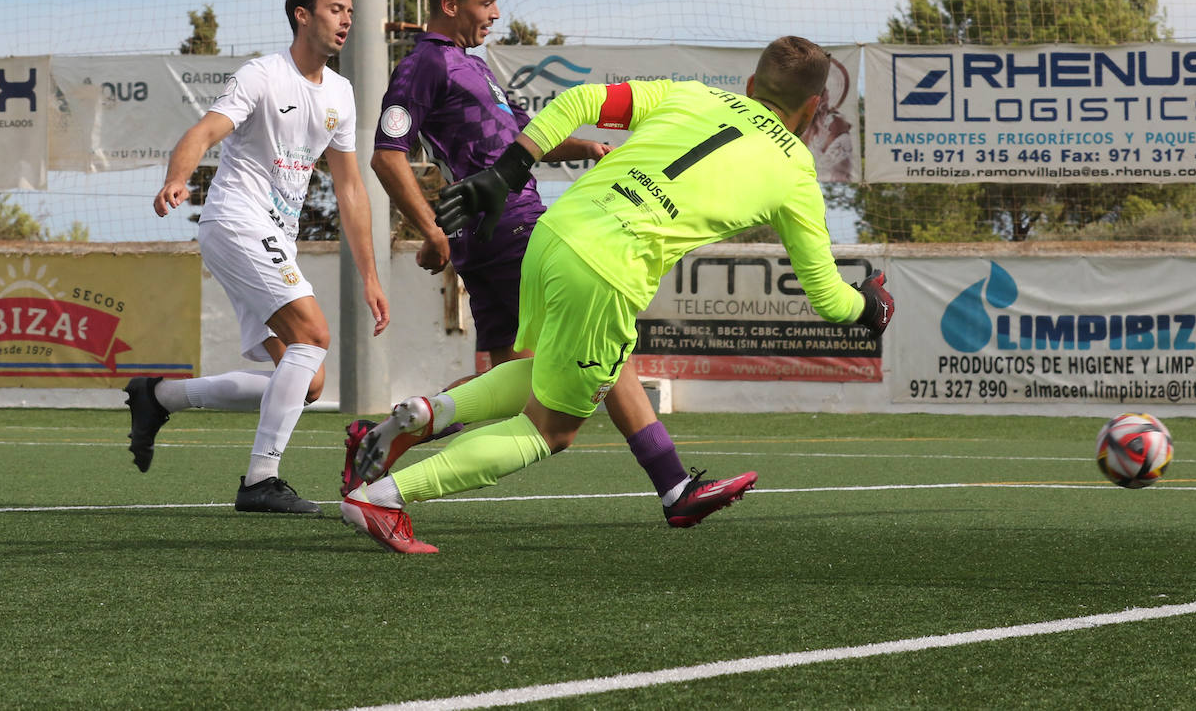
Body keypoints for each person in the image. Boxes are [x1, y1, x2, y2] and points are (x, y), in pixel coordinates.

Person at [340, 35, 894, 552]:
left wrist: (508, 171)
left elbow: (578, 100)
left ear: (751, 86)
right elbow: (827, 298)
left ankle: (426, 413)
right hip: (607, 266)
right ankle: (382, 500)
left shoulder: (694, 95)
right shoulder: (796, 172)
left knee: (547, 371)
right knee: (550, 430)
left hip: (555, 233)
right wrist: (870, 305)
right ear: (816, 107)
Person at [346, 0, 752, 530]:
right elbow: (387, 157)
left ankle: (405, 425)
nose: (494, 15)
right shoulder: (426, 66)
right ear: (449, 4)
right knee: (600, 358)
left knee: (517, 381)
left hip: (485, 241)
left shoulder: (471, 63)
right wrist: (430, 229)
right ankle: (674, 485)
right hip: (514, 226)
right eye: (486, 3)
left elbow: (514, 143)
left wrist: (581, 147)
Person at [124, 0, 390, 515]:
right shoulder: (262, 75)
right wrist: (177, 177)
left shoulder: (340, 92)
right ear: (303, 15)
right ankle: (260, 480)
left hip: (274, 238)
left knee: (308, 378)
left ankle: (157, 396)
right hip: (237, 221)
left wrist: (369, 275)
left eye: (349, 10)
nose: (346, 19)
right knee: (313, 333)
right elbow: (203, 132)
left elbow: (350, 188)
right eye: (335, 9)